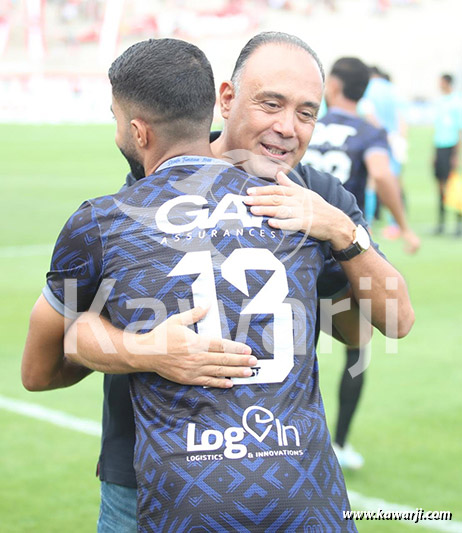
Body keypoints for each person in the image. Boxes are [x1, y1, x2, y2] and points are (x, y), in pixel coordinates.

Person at [22, 33, 415, 531]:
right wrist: (146, 350)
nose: (286, 128)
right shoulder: (154, 180)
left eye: (306, 113)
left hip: (286, 473)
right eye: (271, 104)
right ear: (225, 100)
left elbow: (379, 323)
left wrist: (341, 231)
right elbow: (68, 341)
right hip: (143, 476)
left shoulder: (318, 194)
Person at [302, 57, 420, 469]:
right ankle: (340, 442)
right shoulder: (368, 132)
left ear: (331, 85)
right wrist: (404, 226)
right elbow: (383, 176)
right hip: (341, 252)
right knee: (359, 346)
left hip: (288, 244)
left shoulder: (307, 123)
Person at [432, 73, 462, 236]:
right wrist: (434, 152)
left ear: (446, 82)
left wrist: (456, 154)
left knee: (454, 186)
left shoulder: (457, 102)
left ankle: (458, 225)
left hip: (451, 147)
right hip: (440, 147)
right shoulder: (441, 102)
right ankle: (441, 223)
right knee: (440, 187)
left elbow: (459, 130)